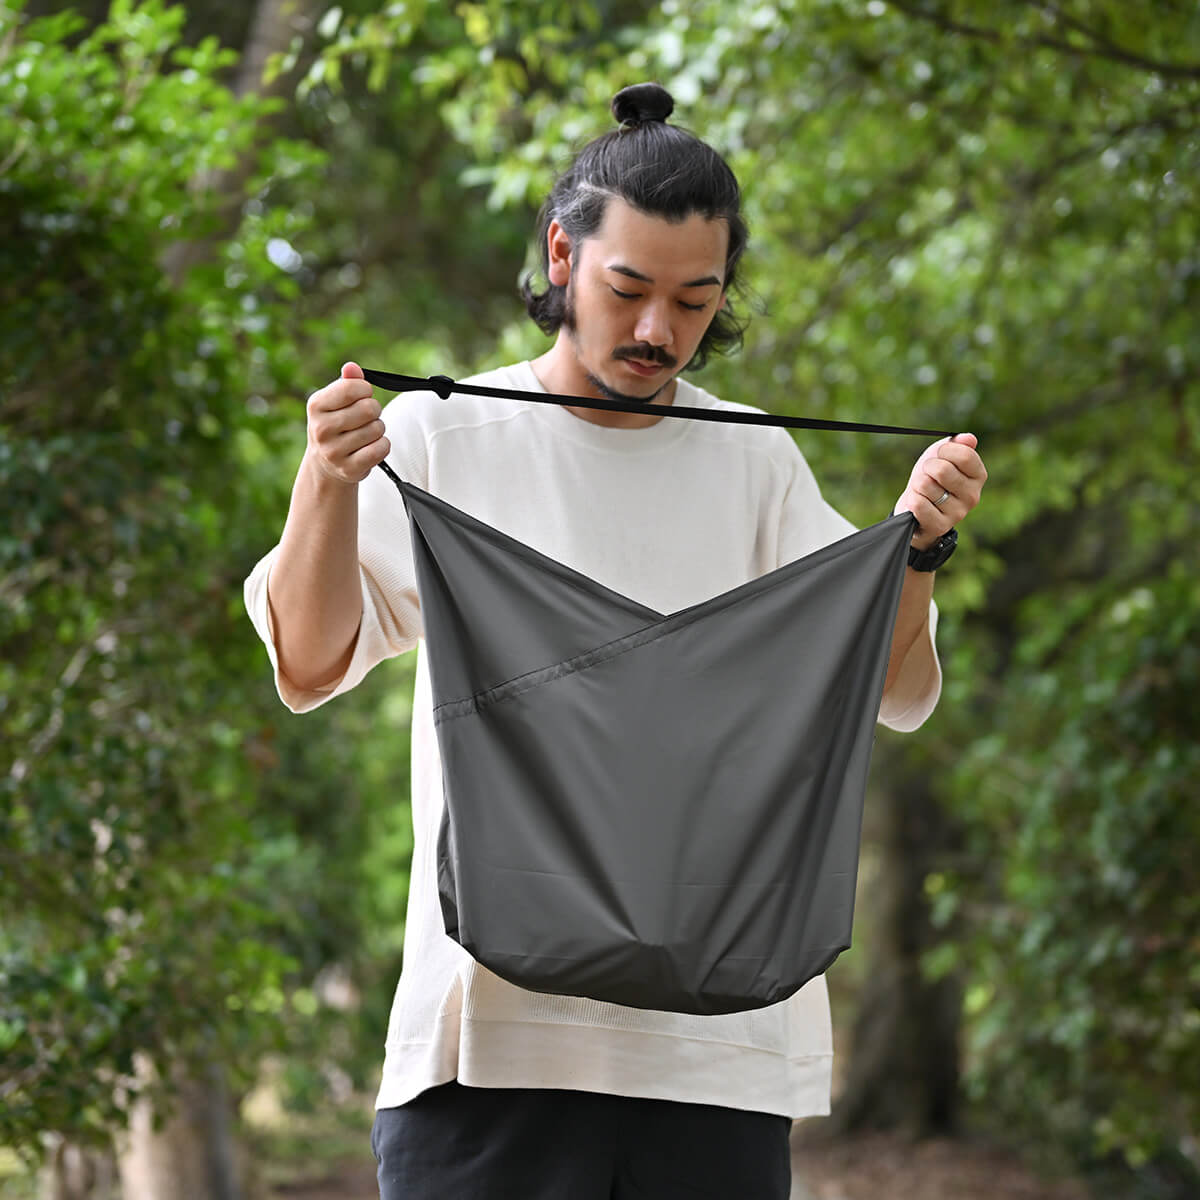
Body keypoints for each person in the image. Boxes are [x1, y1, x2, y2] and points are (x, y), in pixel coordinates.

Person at [245, 82, 987, 1199]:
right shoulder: (444, 434)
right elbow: (306, 665)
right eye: (628, 289)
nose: (656, 332)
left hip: (719, 1055)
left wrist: (918, 549)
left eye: (695, 300)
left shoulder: (757, 463)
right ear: (561, 254)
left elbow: (889, 690)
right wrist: (325, 480)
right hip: (488, 1054)